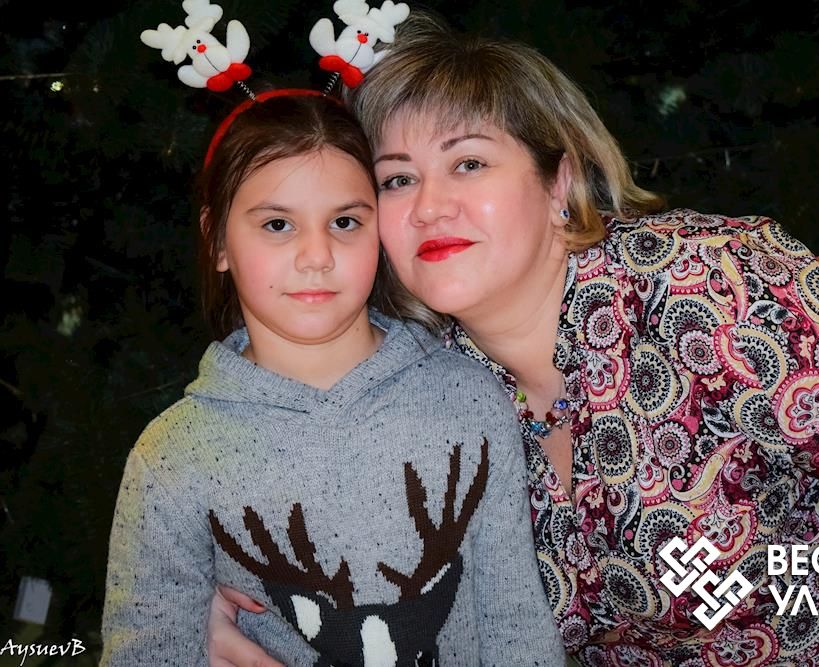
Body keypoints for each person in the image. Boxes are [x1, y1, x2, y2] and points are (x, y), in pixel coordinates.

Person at [208, 15, 819, 667]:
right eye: (397, 179)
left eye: (468, 163)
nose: (430, 205)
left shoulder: (708, 291)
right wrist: (210, 599)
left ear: (559, 182)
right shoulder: (436, 391)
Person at [99, 89, 565, 666]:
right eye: (277, 224)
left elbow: (516, 625)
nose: (316, 255)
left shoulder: (467, 397)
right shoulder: (172, 459)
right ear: (218, 239)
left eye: (345, 221)